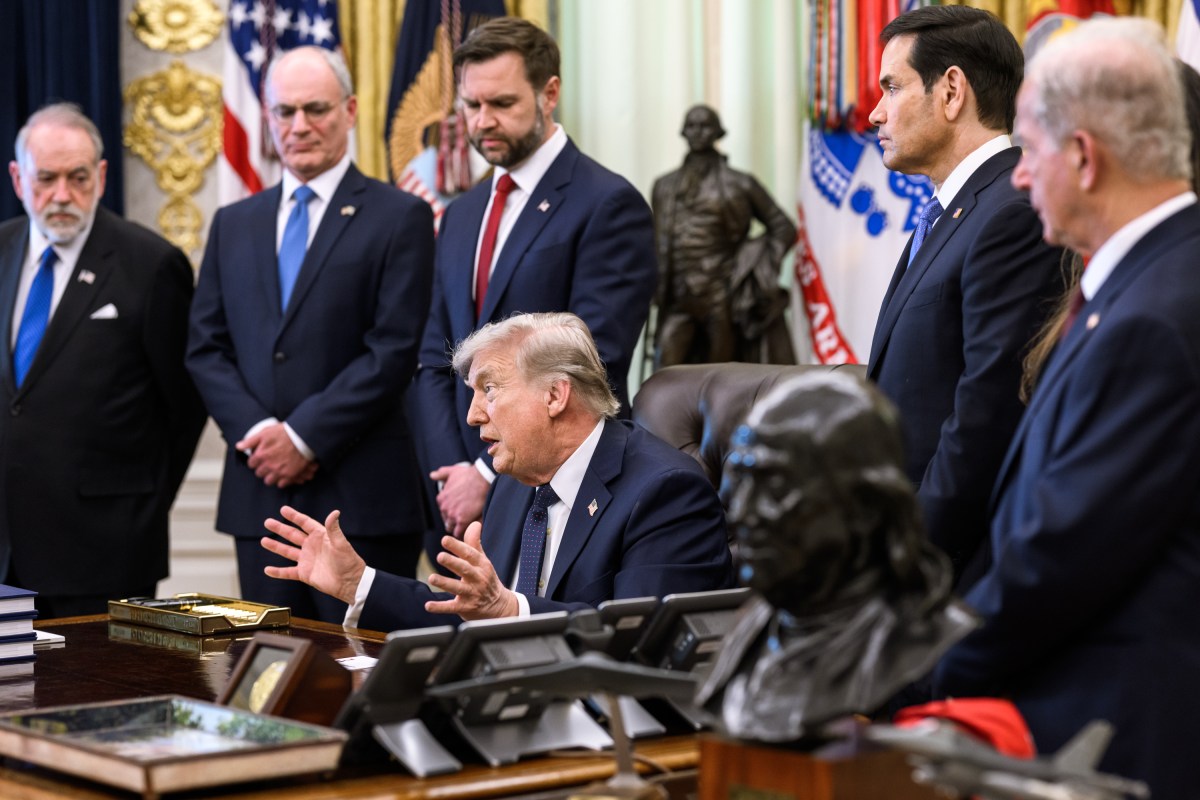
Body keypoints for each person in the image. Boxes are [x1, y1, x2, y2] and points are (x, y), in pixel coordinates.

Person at [933, 19, 1200, 797]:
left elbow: (1057, 560)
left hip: (1119, 738)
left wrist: (895, 681)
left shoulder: (1154, 317)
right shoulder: (1149, 281)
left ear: (1084, 158)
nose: (1017, 178)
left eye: (1030, 151)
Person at [262, 313, 733, 632]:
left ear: (555, 395)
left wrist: (509, 610)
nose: (472, 416)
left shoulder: (665, 492)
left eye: (489, 389)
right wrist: (357, 583)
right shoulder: (516, 487)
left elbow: (640, 641)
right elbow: (471, 620)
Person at [187, 47, 435, 623]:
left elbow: (394, 349)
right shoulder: (233, 223)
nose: (299, 126)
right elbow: (205, 348)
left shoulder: (401, 217)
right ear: (268, 118)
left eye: (316, 109)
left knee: (360, 677)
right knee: (269, 675)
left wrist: (302, 437)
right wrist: (258, 432)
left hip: (363, 500)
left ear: (349, 110)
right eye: (285, 111)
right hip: (260, 496)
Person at [409, 18, 657, 550]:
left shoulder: (608, 204)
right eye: (471, 106)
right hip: (454, 501)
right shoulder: (461, 213)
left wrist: (485, 470)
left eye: (502, 103)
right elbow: (435, 354)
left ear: (550, 94)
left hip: (556, 490)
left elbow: (591, 361)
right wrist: (453, 469)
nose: (483, 121)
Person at [866, 6, 1064, 587]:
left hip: (953, 577)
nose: (875, 112)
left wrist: (907, 564)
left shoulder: (1011, 213)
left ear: (952, 90)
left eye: (892, 87)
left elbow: (985, 418)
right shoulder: (955, 210)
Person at [0, 103, 205, 617]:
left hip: (105, 551)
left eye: (78, 177)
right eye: (46, 179)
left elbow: (183, 408)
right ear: (18, 178)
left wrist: (140, 508)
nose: (63, 195)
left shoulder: (152, 265)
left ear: (102, 175)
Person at [695, 371, 974, 741]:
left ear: (865, 507)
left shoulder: (928, 642)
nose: (742, 512)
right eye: (743, 483)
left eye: (775, 486)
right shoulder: (754, 630)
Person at [652, 105, 797, 368]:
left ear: (718, 132)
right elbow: (657, 241)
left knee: (722, 374)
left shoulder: (739, 183)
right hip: (679, 298)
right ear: (683, 131)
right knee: (664, 364)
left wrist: (754, 265)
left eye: (705, 125)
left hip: (721, 295)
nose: (698, 132)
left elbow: (783, 227)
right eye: (692, 126)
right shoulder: (664, 186)